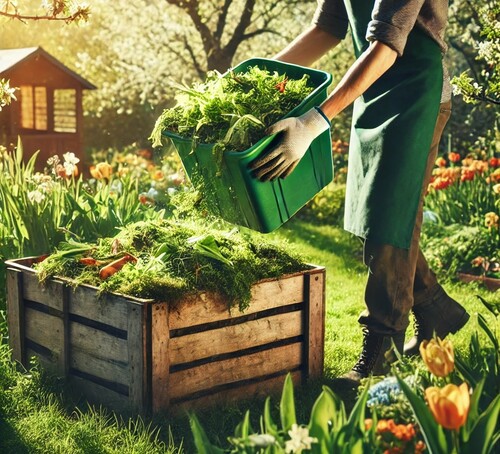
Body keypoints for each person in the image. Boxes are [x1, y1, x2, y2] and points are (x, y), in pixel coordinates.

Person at [250, 0, 470, 382]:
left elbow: (387, 44)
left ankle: (382, 353)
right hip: (373, 90)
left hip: (417, 92)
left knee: (389, 221)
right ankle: (435, 308)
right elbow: (326, 29)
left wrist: (314, 121)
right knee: (378, 216)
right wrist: (256, 79)